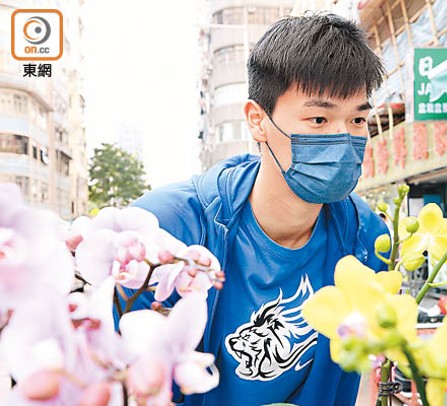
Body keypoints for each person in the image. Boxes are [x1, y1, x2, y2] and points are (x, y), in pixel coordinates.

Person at [125, 13, 388, 406]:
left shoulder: (366, 238)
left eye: (357, 120)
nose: (342, 137)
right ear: (257, 121)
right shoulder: (167, 230)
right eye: (319, 118)